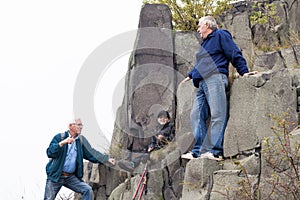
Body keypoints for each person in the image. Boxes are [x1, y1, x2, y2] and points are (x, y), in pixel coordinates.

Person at [180, 16, 257, 161]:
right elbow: (202, 63)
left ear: (208, 25)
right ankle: (199, 151)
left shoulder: (221, 35)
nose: (198, 29)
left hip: (215, 77)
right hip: (201, 82)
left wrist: (244, 71)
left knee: (217, 114)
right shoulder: (205, 44)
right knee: (196, 115)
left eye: (199, 26)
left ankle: (215, 151)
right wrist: (190, 75)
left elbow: (233, 52)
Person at [44, 118, 116, 200]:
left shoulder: (81, 141)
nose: (81, 127)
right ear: (71, 126)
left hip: (70, 177)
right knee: (48, 198)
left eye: (81, 125)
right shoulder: (60, 137)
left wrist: (106, 159)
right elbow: (50, 152)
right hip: (56, 176)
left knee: (87, 190)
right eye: (78, 125)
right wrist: (63, 143)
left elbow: (91, 153)